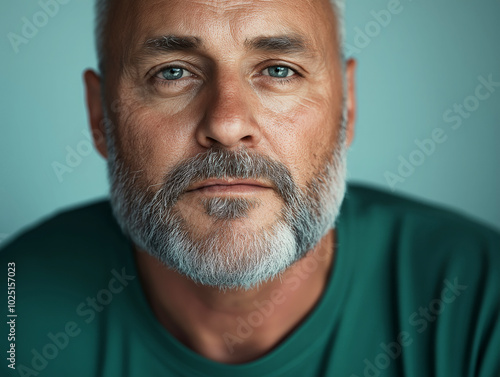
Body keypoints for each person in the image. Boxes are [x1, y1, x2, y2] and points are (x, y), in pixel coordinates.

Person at [1, 0, 499, 376]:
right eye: (172, 72)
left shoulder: (481, 300)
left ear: (347, 106)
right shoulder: (15, 308)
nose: (227, 122)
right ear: (98, 115)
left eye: (278, 70)